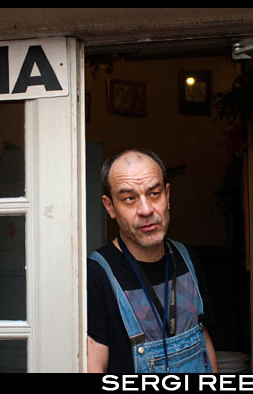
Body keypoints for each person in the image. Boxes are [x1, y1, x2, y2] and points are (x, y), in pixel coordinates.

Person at [87, 149, 219, 373]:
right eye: (129, 198)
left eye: (154, 193)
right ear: (109, 206)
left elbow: (202, 337)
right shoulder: (96, 274)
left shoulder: (186, 258)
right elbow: (93, 364)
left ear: (167, 195)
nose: (146, 210)